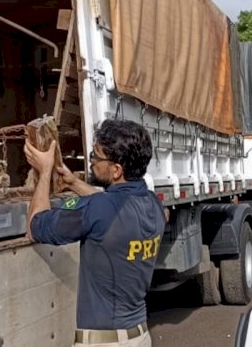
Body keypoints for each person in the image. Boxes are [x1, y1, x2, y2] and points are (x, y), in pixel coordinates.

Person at [24, 119, 166, 347]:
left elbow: (34, 226)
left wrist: (44, 171)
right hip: (139, 336)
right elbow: (109, 205)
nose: (91, 163)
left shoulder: (100, 210)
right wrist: (72, 182)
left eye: (96, 157)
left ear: (116, 169)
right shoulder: (154, 205)